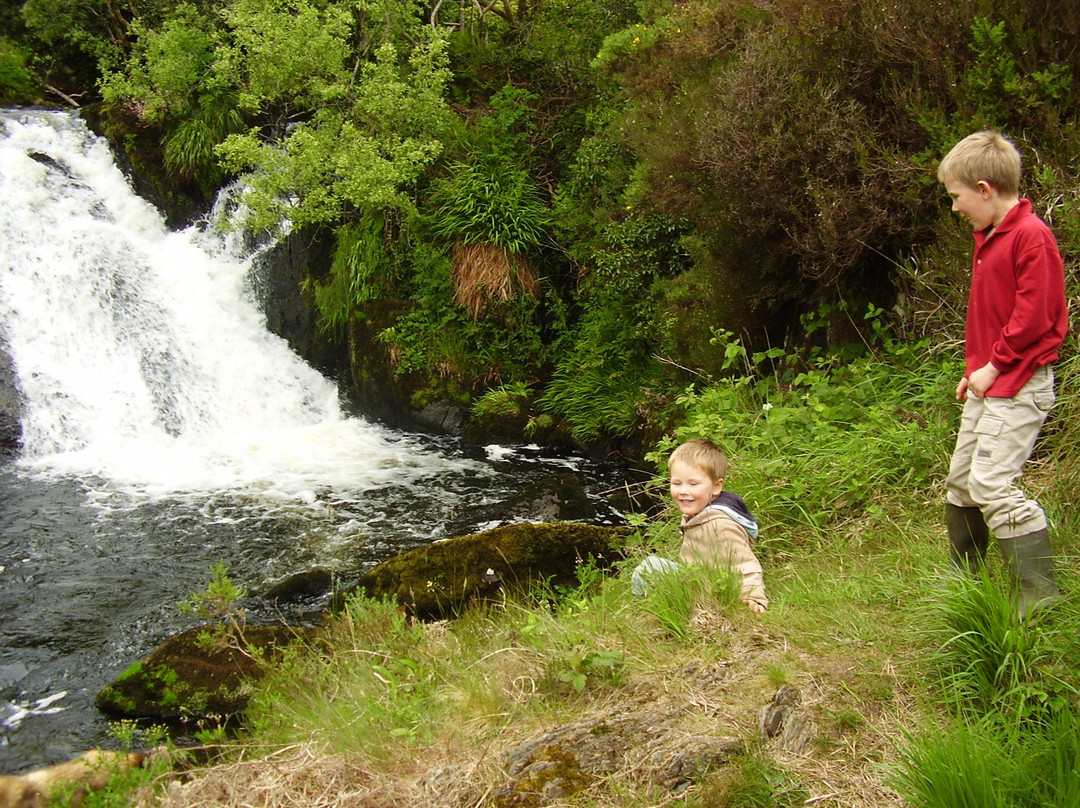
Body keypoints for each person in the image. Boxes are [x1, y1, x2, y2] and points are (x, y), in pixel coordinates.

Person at [937, 130, 1068, 618]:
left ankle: (1039, 595)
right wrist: (976, 372)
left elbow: (1036, 317)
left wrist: (994, 366)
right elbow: (996, 315)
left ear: (985, 189)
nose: (955, 207)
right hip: (991, 381)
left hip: (1019, 384)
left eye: (957, 196)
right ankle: (965, 583)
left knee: (991, 484)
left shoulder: (1031, 236)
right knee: (962, 481)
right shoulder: (989, 238)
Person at [668, 438, 768, 612]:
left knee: (647, 569)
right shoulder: (698, 513)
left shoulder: (720, 525)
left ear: (716, 486)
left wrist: (754, 598)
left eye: (693, 484)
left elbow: (745, 564)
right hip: (698, 577)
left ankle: (651, 613)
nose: (683, 491)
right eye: (677, 483)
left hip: (709, 590)